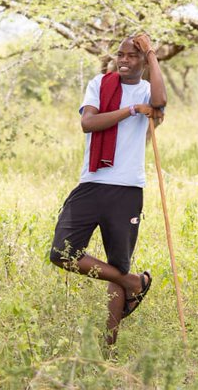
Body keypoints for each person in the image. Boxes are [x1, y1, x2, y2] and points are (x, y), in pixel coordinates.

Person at [49, 33, 167, 347]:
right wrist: (130, 111)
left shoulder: (147, 91)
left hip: (127, 189)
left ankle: (108, 347)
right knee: (62, 252)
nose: (124, 61)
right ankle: (134, 283)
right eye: (120, 55)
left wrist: (153, 53)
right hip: (91, 183)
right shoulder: (100, 84)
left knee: (118, 262)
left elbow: (160, 103)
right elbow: (88, 123)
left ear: (143, 62)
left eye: (132, 56)